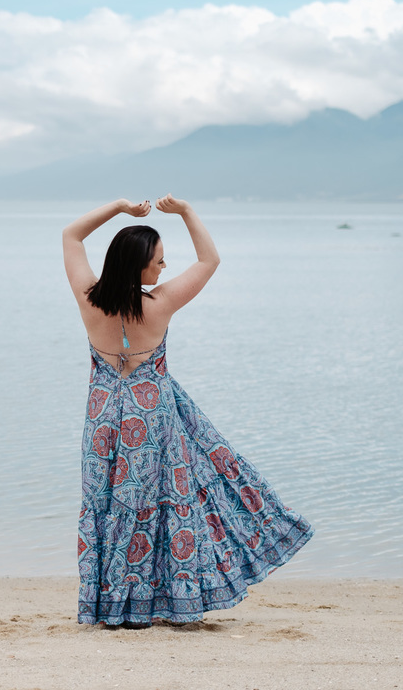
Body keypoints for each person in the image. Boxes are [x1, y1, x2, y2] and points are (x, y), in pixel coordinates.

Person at [62, 195, 314, 628]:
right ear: (138, 266)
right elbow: (209, 259)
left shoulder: (90, 301)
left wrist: (120, 209)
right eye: (158, 261)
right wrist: (186, 212)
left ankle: (114, 606)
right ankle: (169, 600)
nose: (163, 267)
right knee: (166, 503)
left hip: (104, 419)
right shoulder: (158, 305)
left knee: (109, 506)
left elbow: (71, 235)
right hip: (154, 418)